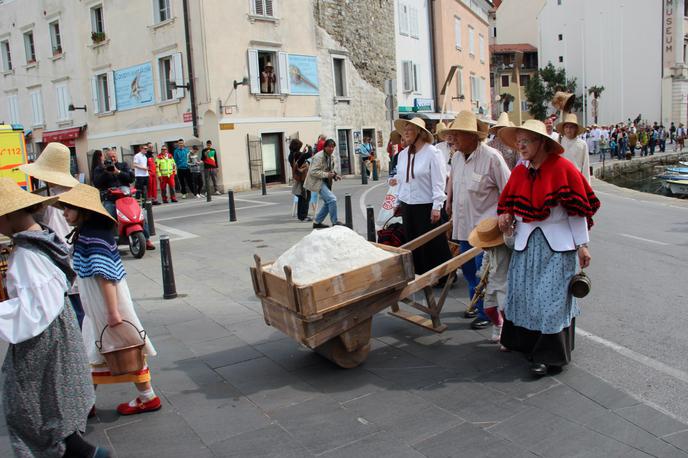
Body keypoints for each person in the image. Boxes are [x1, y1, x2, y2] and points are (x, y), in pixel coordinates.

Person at [0, 178, 110, 458]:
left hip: (43, 339)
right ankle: (81, 452)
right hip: (57, 330)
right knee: (50, 404)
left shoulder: (26, 253)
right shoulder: (43, 238)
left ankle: (81, 453)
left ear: (11, 215)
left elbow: (35, 310)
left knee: (28, 406)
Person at [496, 119, 600, 376]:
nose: (520, 146)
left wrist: (582, 246)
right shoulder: (520, 171)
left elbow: (577, 211)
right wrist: (506, 215)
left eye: (526, 141)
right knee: (526, 296)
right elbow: (509, 202)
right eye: (518, 141)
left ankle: (549, 356)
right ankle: (525, 343)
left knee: (551, 300)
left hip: (557, 247)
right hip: (526, 245)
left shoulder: (563, 168)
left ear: (542, 142)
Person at [57, 184, 162, 415]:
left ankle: (141, 397)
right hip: (101, 304)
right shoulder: (92, 232)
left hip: (105, 304)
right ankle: (94, 402)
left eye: (67, 208)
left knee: (119, 346)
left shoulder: (92, 236)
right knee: (107, 347)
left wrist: (112, 312)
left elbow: (105, 276)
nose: (64, 213)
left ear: (82, 210)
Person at [444, 111, 511, 329]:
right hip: (464, 226)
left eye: (459, 134)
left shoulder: (492, 158)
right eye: (453, 134)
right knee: (469, 271)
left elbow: (509, 190)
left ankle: (486, 312)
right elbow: (455, 184)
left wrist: (503, 216)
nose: (454, 139)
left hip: (485, 229)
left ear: (473, 136)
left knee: (485, 272)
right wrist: (449, 204)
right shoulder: (456, 158)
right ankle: (476, 304)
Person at [19, 142, 86, 326]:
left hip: (61, 260)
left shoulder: (44, 202)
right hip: (80, 256)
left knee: (74, 312)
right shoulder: (78, 194)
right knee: (84, 309)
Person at [389, 117, 451, 276]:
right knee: (413, 241)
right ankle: (420, 274)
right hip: (408, 205)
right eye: (405, 130)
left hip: (427, 205)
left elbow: (439, 181)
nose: (406, 133)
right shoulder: (403, 155)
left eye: (409, 130)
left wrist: (437, 206)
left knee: (432, 242)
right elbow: (401, 181)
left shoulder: (432, 153)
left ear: (420, 133)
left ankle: (441, 276)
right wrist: (397, 201)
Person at [93, 149, 155, 250]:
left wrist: (118, 172)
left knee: (139, 215)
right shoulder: (100, 169)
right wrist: (106, 172)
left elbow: (131, 178)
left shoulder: (123, 165)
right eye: (110, 158)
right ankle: (110, 241)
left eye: (114, 157)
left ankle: (146, 239)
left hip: (125, 198)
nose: (112, 159)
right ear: (106, 158)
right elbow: (97, 183)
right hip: (111, 199)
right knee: (109, 216)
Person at [469, 217, 512, 343]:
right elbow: (486, 260)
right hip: (492, 281)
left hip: (506, 281)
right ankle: (498, 325)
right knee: (489, 309)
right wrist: (482, 274)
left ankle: (507, 335)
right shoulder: (488, 250)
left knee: (504, 309)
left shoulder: (506, 246)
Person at [304, 139, 343, 228]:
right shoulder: (318, 157)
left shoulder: (331, 156)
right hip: (317, 181)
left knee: (328, 202)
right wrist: (327, 174)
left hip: (325, 181)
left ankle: (317, 222)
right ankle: (335, 222)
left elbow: (329, 169)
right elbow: (313, 172)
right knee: (332, 199)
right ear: (325, 147)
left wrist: (335, 175)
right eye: (329, 146)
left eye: (333, 147)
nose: (331, 148)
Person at [557, 114, 591, 182]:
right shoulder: (558, 142)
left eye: (571, 127)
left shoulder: (582, 144)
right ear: (563, 129)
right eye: (566, 127)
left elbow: (585, 166)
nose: (569, 130)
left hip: (576, 179)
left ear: (576, 128)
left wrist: (587, 185)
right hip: (561, 179)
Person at [289, 139, 311, 222]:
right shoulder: (298, 154)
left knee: (301, 197)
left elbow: (301, 157)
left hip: (297, 177)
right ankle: (303, 216)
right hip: (303, 177)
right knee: (305, 197)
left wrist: (303, 152)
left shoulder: (291, 155)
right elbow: (309, 154)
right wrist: (310, 147)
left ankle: (300, 216)